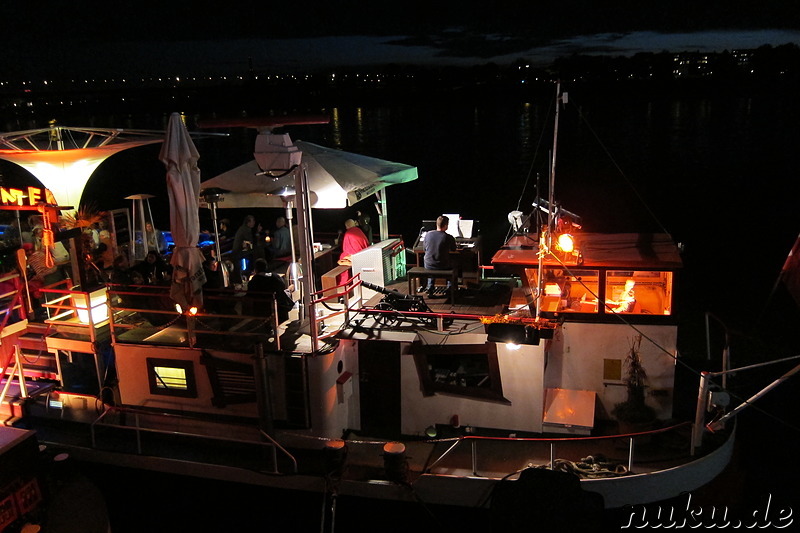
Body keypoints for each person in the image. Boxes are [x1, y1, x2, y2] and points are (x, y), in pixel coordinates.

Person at [245, 258, 294, 323]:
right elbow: (282, 287)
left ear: (255, 269)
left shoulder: (253, 282)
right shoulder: (275, 278)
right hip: (278, 307)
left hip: (261, 309)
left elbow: (250, 295)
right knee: (288, 290)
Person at [423, 215, 457, 294]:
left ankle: (430, 287)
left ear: (436, 224)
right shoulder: (448, 237)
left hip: (428, 265)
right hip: (442, 265)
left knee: (432, 259)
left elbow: (424, 249)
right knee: (454, 263)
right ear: (446, 225)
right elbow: (454, 249)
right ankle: (450, 288)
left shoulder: (428, 234)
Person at [232, 215, 257, 282]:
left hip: (241, 251)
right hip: (239, 252)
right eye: (253, 221)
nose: (254, 222)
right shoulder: (245, 230)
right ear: (248, 222)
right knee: (256, 254)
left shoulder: (245, 229)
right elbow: (249, 241)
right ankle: (252, 272)